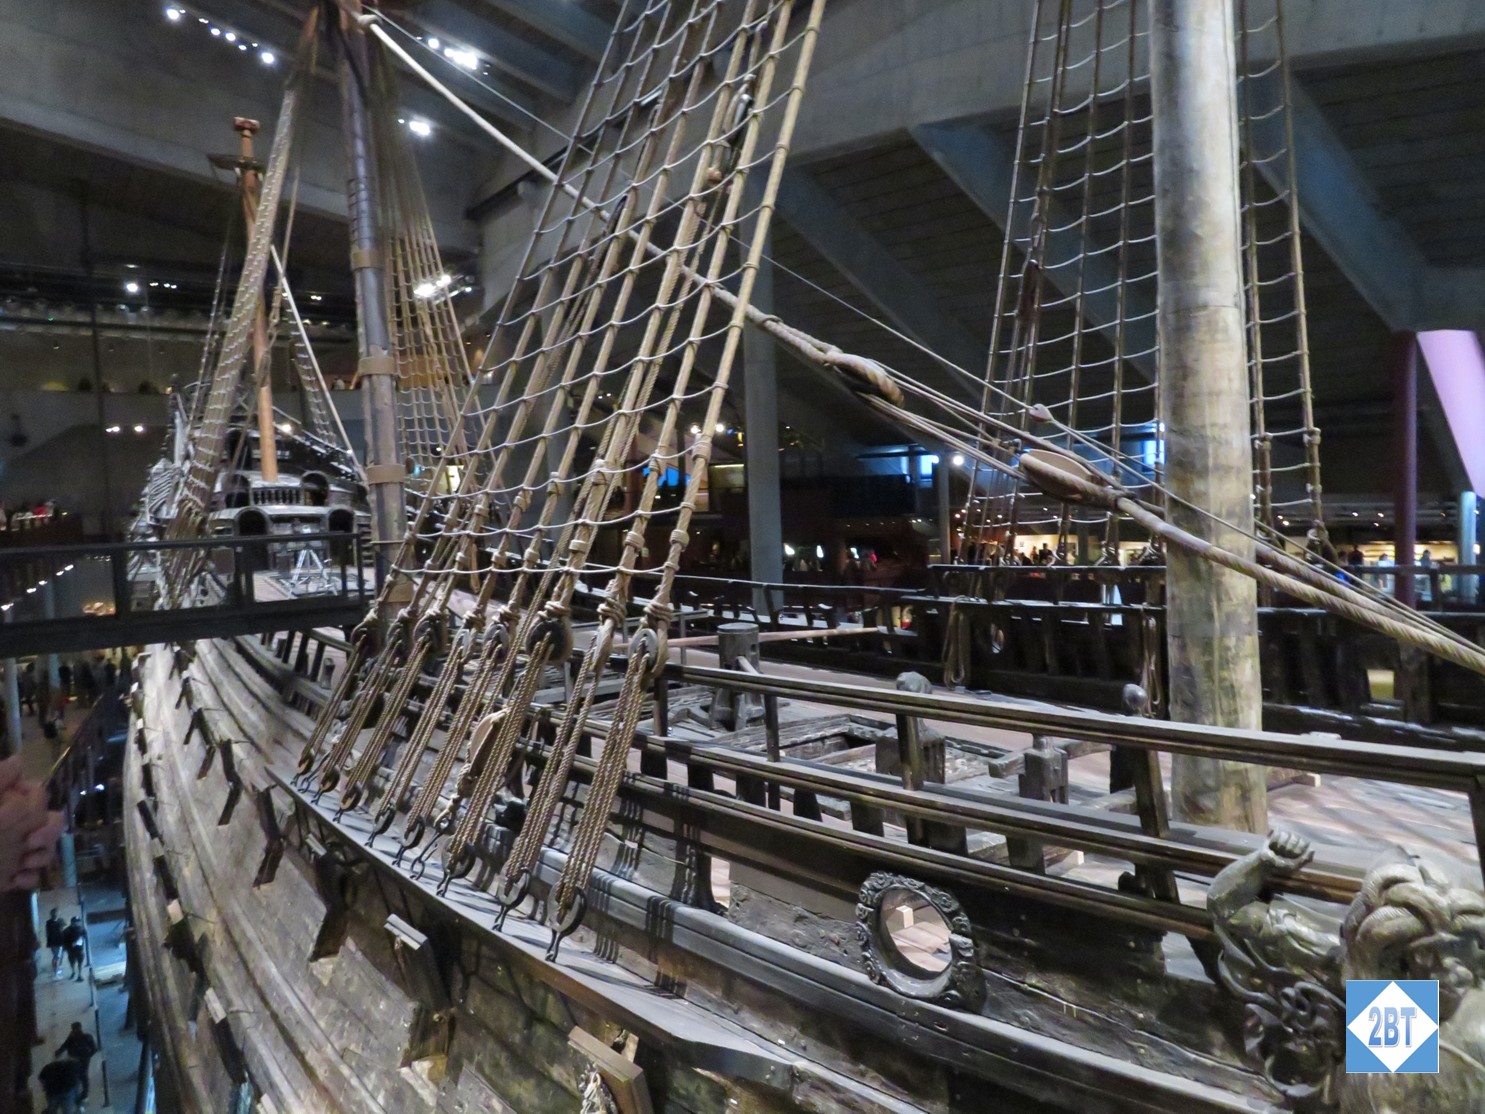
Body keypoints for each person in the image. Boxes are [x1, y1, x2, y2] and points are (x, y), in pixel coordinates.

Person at [56, 1021, 99, 1103]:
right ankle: (82, 1093)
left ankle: (83, 1093)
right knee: (82, 1075)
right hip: (80, 1058)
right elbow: (94, 1049)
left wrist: (59, 1052)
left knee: (81, 1075)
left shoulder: (76, 1037)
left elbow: (65, 1045)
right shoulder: (83, 1037)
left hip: (78, 1059)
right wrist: (88, 1055)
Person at [61, 916, 86, 982]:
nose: (77, 923)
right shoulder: (67, 931)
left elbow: (84, 936)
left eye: (78, 922)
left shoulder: (81, 929)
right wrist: (65, 948)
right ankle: (73, 971)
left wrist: (79, 940)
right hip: (70, 949)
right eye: (76, 922)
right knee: (72, 962)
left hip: (79, 949)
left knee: (80, 962)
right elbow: (63, 940)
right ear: (72, 922)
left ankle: (79, 975)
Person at [45, 908, 65, 977]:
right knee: (56, 956)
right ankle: (55, 971)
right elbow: (48, 933)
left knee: (59, 956)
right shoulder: (49, 923)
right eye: (55, 913)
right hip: (54, 942)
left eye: (57, 913)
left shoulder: (60, 920)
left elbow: (63, 929)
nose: (56, 915)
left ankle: (57, 969)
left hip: (60, 941)